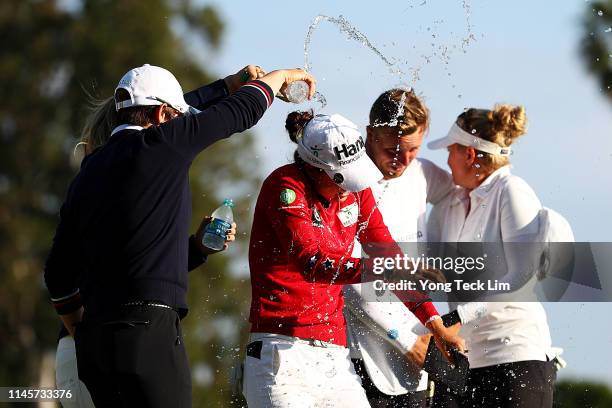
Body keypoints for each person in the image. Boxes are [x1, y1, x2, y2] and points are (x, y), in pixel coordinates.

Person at [44, 63, 315, 408]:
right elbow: (238, 112)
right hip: (149, 334)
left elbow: (57, 274)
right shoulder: (162, 144)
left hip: (95, 343)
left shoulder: (88, 171)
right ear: (161, 114)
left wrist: (79, 330)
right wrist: (277, 79)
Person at [243, 110, 464, 408]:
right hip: (282, 353)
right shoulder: (285, 187)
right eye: (343, 180)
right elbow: (312, 262)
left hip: (335, 355)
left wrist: (435, 326)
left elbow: (387, 253)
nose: (350, 189)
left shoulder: (357, 192)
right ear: (316, 169)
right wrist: (384, 270)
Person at [426, 104, 558, 407]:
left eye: (450, 151)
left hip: (518, 360)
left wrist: (457, 317)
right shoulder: (452, 204)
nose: (447, 161)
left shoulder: (512, 191)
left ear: (469, 155)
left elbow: (521, 280)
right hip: (469, 364)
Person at [343, 88, 456, 408]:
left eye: (414, 149)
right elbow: (346, 279)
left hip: (417, 357)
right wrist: (407, 341)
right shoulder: (347, 183)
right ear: (370, 135)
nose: (403, 161)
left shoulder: (422, 174)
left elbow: (465, 193)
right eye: (393, 150)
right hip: (358, 358)